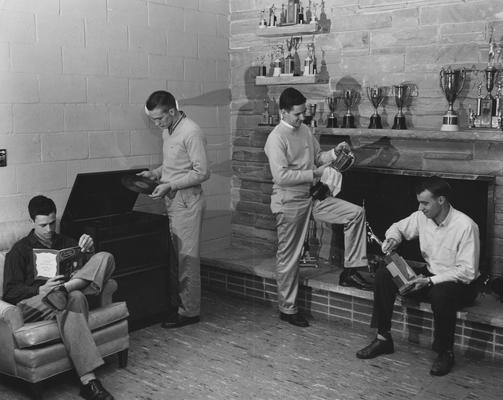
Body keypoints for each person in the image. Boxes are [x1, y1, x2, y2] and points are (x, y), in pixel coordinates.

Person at [264, 87, 368, 328]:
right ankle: (287, 309)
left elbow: (318, 157)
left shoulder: (305, 130)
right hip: (289, 202)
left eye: (303, 113)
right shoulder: (276, 138)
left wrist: (334, 152)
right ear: (283, 112)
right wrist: (315, 173)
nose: (302, 118)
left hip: (313, 197)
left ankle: (352, 269)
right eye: (297, 114)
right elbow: (281, 177)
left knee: (355, 214)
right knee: (289, 257)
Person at [356, 176, 480, 376]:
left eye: (425, 203)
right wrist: (392, 239)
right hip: (430, 277)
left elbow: (468, 271)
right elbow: (397, 228)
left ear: (441, 200)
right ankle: (383, 338)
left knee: (441, 294)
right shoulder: (422, 217)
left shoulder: (466, 226)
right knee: (383, 274)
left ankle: (445, 352)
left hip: (460, 284)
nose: (421, 208)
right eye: (419, 202)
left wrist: (429, 281)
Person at [3, 195, 116, 400]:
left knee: (105, 258)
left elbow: (91, 267)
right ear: (32, 222)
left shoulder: (66, 242)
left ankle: (88, 380)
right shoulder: (18, 251)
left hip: (64, 297)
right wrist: (40, 290)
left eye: (52, 223)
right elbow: (9, 292)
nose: (49, 230)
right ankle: (89, 381)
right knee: (74, 297)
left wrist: (88, 251)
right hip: (34, 303)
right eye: (43, 225)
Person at [140, 90, 210, 329]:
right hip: (172, 200)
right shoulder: (168, 130)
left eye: (159, 119)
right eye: (153, 120)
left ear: (172, 111)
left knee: (187, 260)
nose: (157, 124)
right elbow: (174, 164)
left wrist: (170, 184)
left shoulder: (192, 132)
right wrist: (155, 173)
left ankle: (190, 311)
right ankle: (177, 304)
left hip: (187, 202)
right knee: (175, 258)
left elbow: (202, 172)